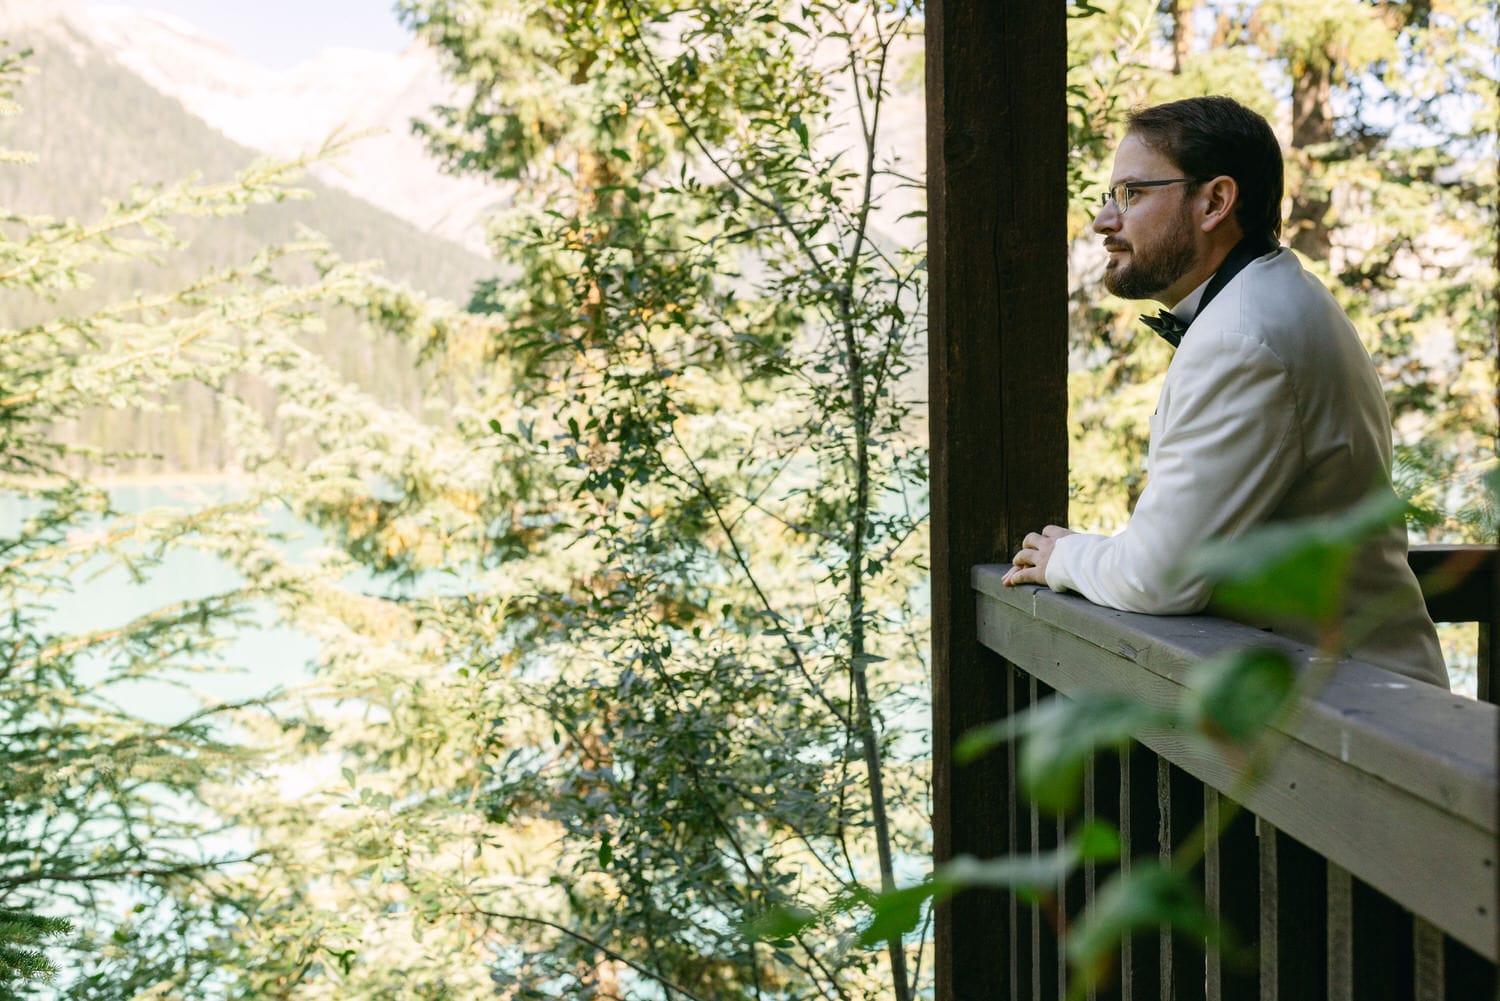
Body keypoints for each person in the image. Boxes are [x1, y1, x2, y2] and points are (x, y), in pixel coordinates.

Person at [1001, 95, 1448, 689]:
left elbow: (1161, 578)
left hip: (1362, 726)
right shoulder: (1272, 301)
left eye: (1131, 194)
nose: (1105, 221)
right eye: (1110, 197)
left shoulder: (1242, 336)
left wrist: (1065, 558)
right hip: (1346, 703)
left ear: (1214, 201)